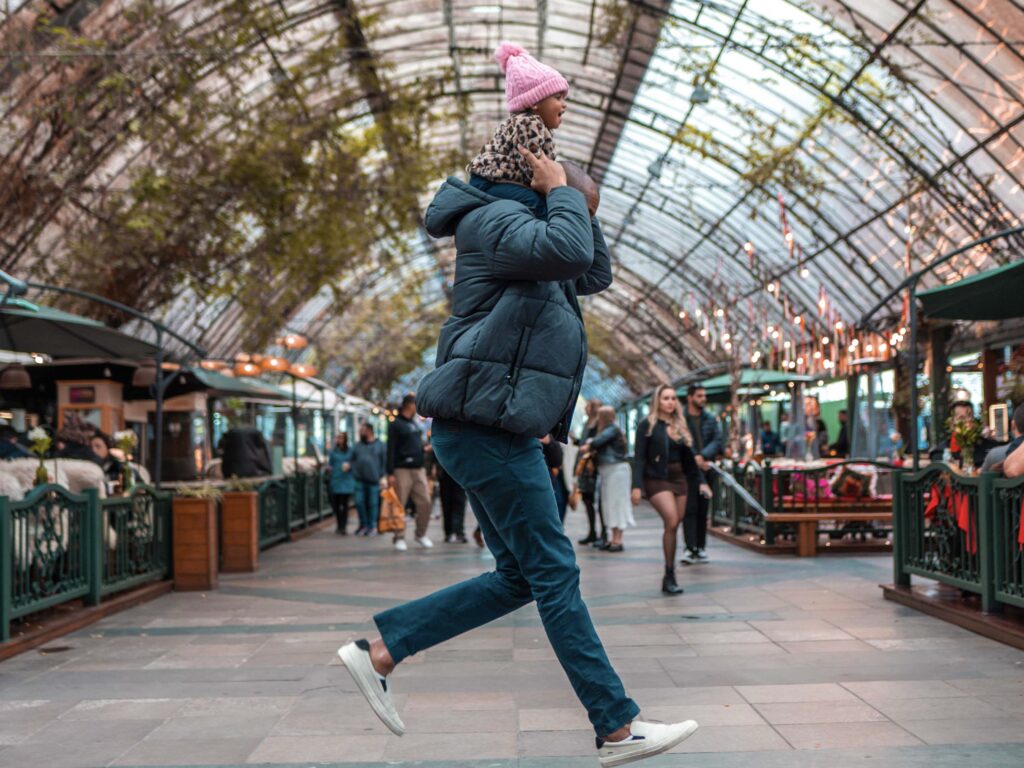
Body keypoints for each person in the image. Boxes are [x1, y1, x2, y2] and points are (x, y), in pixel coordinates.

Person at [338, 145, 698, 764]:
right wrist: (560, 189)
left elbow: (592, 269)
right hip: (488, 432)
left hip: (491, 429)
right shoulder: (501, 230)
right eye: (575, 214)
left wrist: (576, 201)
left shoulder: (545, 255)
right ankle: (616, 726)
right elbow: (566, 250)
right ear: (543, 199)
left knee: (519, 578)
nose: (579, 227)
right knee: (555, 573)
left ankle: (382, 651)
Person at [466, 42, 566, 212]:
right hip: (493, 181)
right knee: (541, 207)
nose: (564, 105)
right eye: (558, 98)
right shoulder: (529, 123)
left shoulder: (524, 123)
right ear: (534, 102)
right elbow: (533, 170)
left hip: (490, 180)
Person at [633, 385, 708, 595]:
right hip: (656, 479)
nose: (670, 402)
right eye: (666, 398)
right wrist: (636, 486)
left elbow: (690, 460)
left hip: (679, 479)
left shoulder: (680, 425)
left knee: (673, 526)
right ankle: (669, 572)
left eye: (673, 398)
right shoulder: (647, 425)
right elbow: (639, 458)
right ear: (658, 401)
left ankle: (669, 575)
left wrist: (701, 481)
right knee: (672, 520)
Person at [681, 384, 722, 565]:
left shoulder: (710, 419)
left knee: (703, 509)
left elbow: (718, 440)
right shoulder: (681, 418)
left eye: (704, 395)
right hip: (688, 470)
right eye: (699, 396)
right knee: (690, 509)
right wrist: (694, 457)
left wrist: (703, 456)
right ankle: (690, 547)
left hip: (707, 468)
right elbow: (681, 440)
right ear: (690, 397)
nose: (703, 399)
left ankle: (700, 547)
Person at [387, 393, 433, 551]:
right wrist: (390, 472)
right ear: (409, 405)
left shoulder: (415, 424)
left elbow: (415, 444)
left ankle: (420, 534)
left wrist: (424, 450)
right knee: (400, 503)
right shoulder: (396, 424)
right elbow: (391, 448)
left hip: (418, 468)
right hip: (401, 469)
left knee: (425, 501)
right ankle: (398, 536)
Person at [585, 406, 632, 552]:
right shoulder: (611, 429)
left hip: (616, 471)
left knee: (617, 503)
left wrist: (589, 443)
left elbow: (595, 442)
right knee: (608, 504)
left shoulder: (612, 429)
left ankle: (618, 540)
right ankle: (613, 539)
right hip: (608, 472)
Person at [577, 398, 607, 546]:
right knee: (587, 500)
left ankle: (604, 533)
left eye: (589, 406)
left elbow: (596, 443)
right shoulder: (587, 423)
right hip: (585, 468)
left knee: (600, 502)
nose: (586, 408)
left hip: (595, 467)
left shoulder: (599, 424)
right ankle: (592, 533)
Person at [351, 423, 386, 536]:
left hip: (374, 480)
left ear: (370, 431)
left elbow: (384, 461)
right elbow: (351, 459)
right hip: (359, 479)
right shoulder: (357, 445)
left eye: (363, 430)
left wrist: (383, 476)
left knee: (373, 504)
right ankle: (363, 525)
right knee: (359, 503)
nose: (361, 432)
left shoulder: (380, 445)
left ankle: (372, 526)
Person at [328, 432, 355, 535]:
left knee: (344, 504)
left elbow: (354, 462)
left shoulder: (350, 451)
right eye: (337, 437)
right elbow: (330, 464)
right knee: (336, 505)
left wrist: (350, 465)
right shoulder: (333, 452)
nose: (339, 440)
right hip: (336, 480)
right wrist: (329, 469)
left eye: (341, 438)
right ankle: (339, 524)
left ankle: (343, 526)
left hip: (347, 480)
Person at [541, 433, 568, 524]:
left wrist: (549, 442)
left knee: (558, 504)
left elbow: (557, 461)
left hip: (548, 480)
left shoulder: (547, 434)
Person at [437, 461, 468, 543]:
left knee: (460, 503)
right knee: (446, 504)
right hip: (444, 473)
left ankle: (458, 532)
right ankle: (449, 532)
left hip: (460, 473)